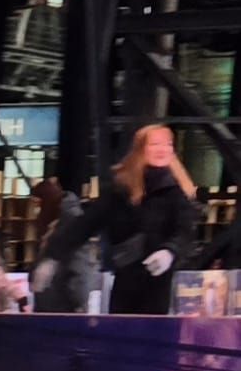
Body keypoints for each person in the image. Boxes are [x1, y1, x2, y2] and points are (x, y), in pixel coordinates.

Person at [34, 125, 198, 315]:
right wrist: (52, 257)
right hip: (125, 285)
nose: (162, 149)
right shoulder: (120, 192)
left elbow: (185, 231)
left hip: (158, 289)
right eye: (155, 144)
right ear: (140, 149)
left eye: (168, 144)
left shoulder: (175, 193)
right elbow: (84, 225)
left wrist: (170, 251)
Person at [33, 194, 98, 313]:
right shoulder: (78, 237)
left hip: (44, 306)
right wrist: (81, 304)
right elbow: (81, 274)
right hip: (65, 309)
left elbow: (36, 273)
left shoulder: (51, 235)